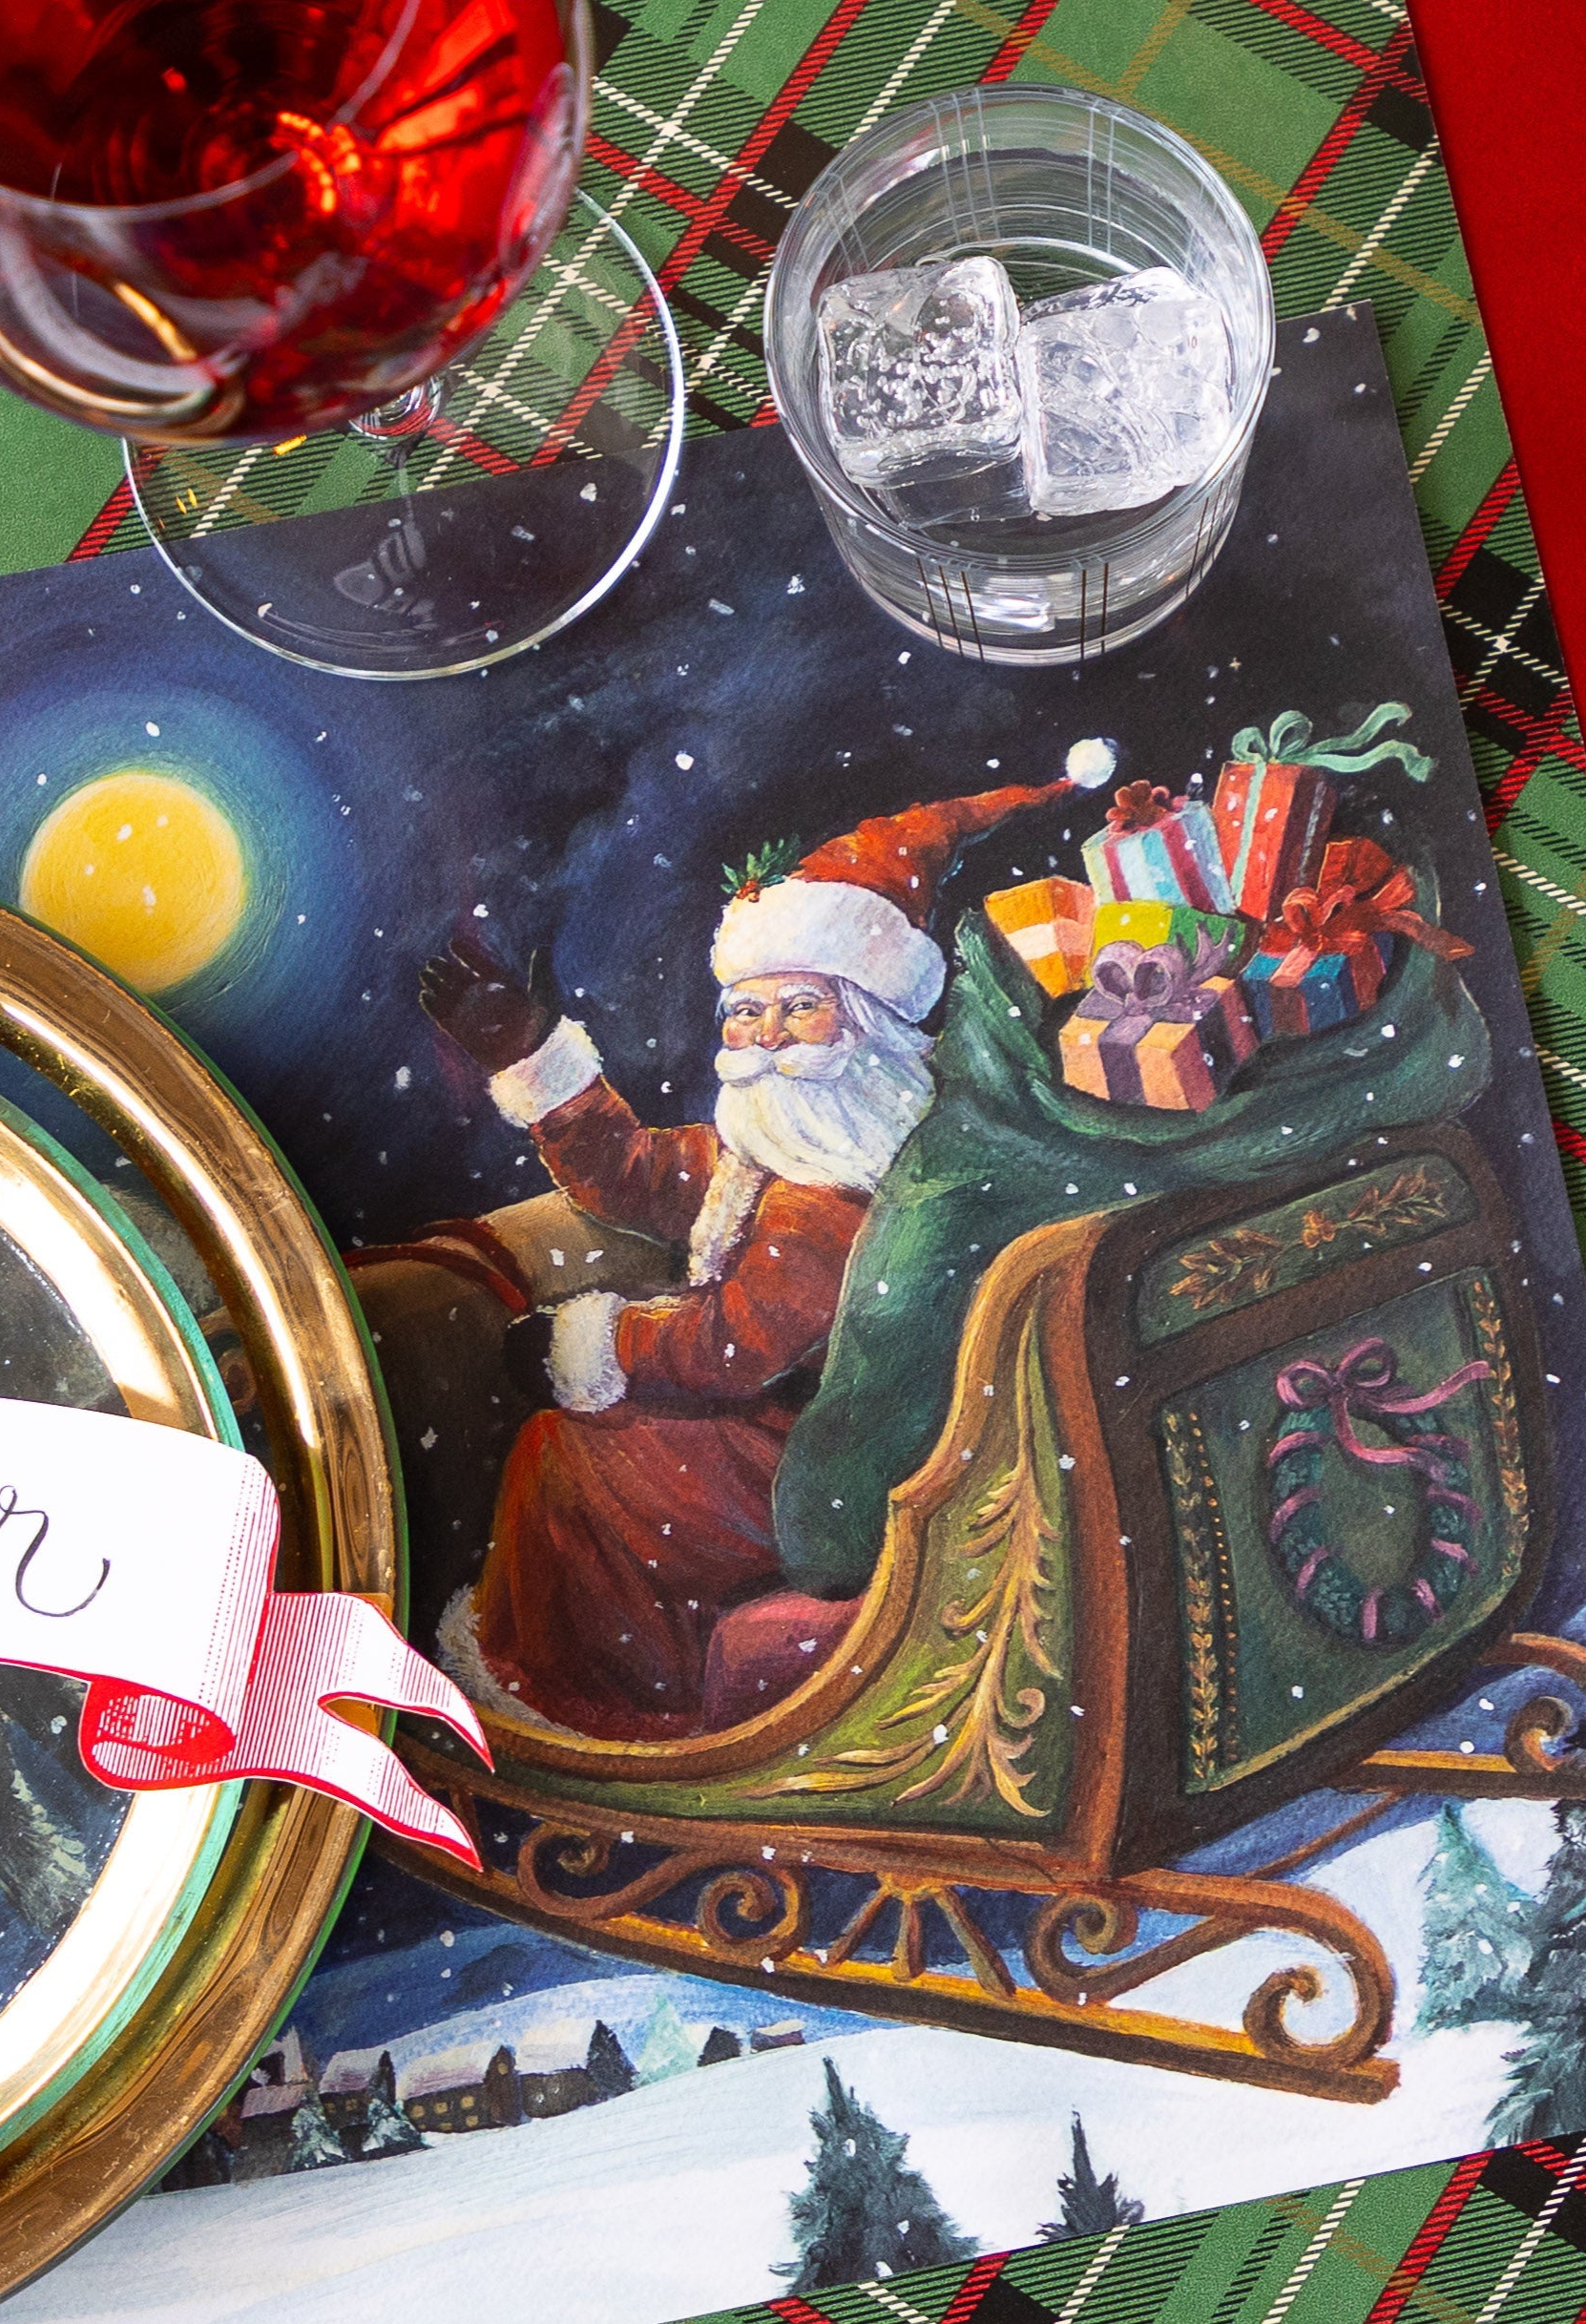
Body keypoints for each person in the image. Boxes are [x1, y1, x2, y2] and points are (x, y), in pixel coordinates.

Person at [414, 742, 1114, 1741]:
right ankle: (586, 1684)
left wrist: (596, 1346)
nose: (770, 1036)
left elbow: (736, 1346)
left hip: (825, 1454)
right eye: (747, 1012)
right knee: (580, 1446)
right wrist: (532, 1054)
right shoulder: (771, 1147)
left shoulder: (847, 1193)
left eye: (799, 1007)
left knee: (576, 1454)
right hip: (779, 1423)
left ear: (867, 1023)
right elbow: (636, 1176)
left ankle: (622, 1709)